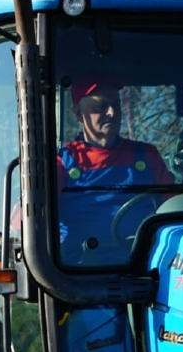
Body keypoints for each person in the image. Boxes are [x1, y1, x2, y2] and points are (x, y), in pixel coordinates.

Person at [56, 77, 174, 263]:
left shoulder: (147, 155)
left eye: (116, 105)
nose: (111, 112)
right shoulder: (62, 162)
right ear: (78, 113)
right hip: (80, 271)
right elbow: (38, 218)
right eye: (100, 106)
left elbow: (174, 209)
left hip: (145, 264)